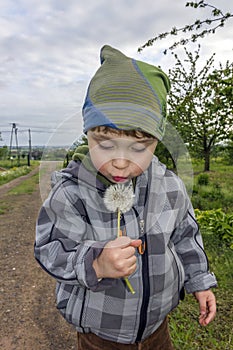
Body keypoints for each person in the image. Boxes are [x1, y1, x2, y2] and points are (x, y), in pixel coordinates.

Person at [35, 45, 217, 349]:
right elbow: (49, 249)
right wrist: (95, 264)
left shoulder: (170, 187)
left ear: (157, 141)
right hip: (102, 333)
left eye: (137, 148)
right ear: (88, 135)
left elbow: (186, 238)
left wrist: (199, 281)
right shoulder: (71, 192)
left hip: (158, 325)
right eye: (105, 145)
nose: (120, 161)